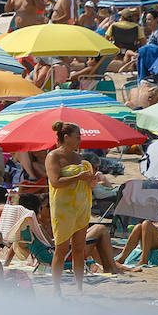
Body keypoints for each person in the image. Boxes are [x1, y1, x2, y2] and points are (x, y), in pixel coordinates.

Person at [46, 122, 98, 295]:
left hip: (81, 207)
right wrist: (78, 177)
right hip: (63, 209)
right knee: (61, 249)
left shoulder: (79, 158)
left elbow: (88, 185)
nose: (80, 140)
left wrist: (92, 181)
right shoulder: (53, 157)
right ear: (66, 137)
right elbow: (55, 182)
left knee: (79, 248)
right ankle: (56, 289)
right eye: (77, 137)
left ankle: (79, 288)